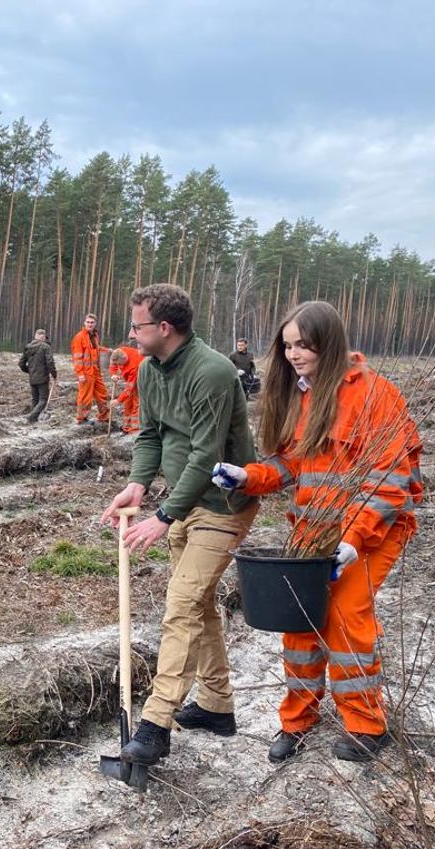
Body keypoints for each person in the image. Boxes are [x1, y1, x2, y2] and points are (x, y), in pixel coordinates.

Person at [211, 301, 421, 764]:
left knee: (344, 619)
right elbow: (292, 463)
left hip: (371, 532)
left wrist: (353, 538)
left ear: (329, 343)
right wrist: (248, 476)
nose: (293, 354)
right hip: (312, 531)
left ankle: (367, 725)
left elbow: (388, 478)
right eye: (287, 346)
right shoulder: (302, 395)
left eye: (303, 345)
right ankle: (296, 720)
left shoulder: (374, 394)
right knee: (299, 623)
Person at [100, 284, 258, 765]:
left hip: (224, 504)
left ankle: (155, 724)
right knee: (199, 605)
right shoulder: (149, 370)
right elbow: (151, 435)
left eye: (137, 325)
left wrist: (163, 517)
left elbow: (206, 455)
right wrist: (139, 485)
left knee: (182, 604)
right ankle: (215, 705)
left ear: (164, 328)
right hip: (185, 501)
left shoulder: (210, 371)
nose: (131, 333)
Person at [70, 313, 110, 425]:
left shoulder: (94, 335)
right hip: (86, 373)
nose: (90, 324)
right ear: (84, 323)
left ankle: (104, 416)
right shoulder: (79, 337)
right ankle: (82, 418)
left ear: (95, 323)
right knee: (85, 397)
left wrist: (108, 350)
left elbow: (96, 349)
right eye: (88, 322)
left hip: (96, 371)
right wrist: (80, 373)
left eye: (92, 322)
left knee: (102, 393)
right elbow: (77, 357)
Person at [19, 328, 57, 422]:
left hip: (32, 378)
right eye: (44, 337)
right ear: (43, 337)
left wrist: (29, 371)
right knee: (43, 400)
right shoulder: (45, 347)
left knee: (35, 399)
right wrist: (54, 374)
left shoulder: (28, 346)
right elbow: (50, 362)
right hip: (43, 378)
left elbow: (21, 363)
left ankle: (33, 420)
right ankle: (31, 417)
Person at [108, 345, 143, 434]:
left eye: (120, 364)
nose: (119, 366)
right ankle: (126, 427)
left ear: (125, 360)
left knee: (137, 403)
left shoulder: (134, 365)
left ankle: (134, 430)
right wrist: (113, 374)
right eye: (118, 364)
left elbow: (129, 388)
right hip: (130, 379)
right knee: (128, 402)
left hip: (141, 379)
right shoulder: (118, 352)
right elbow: (113, 364)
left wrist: (118, 400)